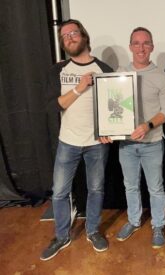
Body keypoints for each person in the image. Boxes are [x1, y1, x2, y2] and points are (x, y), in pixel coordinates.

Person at [40, 19, 113, 261]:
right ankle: (62, 236)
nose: (69, 38)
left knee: (96, 189)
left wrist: (110, 128)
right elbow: (52, 106)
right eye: (64, 36)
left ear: (83, 35)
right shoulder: (58, 71)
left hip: (96, 145)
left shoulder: (105, 70)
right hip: (68, 141)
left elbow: (113, 108)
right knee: (60, 192)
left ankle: (92, 231)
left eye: (73, 33)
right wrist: (80, 88)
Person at [101, 27, 165, 248]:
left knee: (155, 188)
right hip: (127, 144)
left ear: (151, 46)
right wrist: (106, 127)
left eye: (146, 43)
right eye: (137, 43)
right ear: (130, 46)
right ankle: (133, 221)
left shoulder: (161, 76)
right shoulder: (119, 74)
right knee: (130, 186)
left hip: (152, 143)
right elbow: (109, 106)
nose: (141, 48)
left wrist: (148, 125)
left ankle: (158, 226)